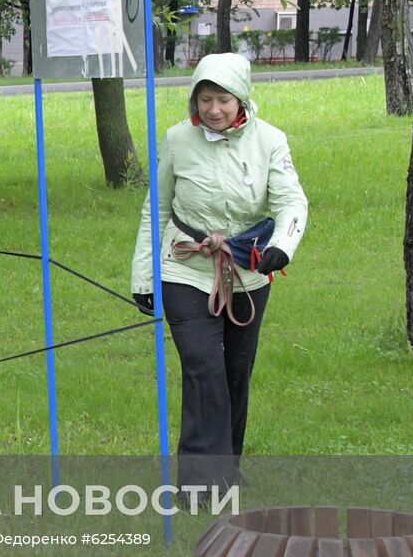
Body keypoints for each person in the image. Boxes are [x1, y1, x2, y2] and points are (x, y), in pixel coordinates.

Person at [130, 52, 308, 492]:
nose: (213, 109)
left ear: (241, 99)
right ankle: (196, 481)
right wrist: (144, 278)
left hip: (247, 271)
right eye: (205, 99)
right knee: (202, 368)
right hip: (185, 267)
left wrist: (281, 248)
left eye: (223, 99)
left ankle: (227, 469)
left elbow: (291, 203)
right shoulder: (175, 140)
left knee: (234, 372)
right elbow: (156, 208)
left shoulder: (270, 140)